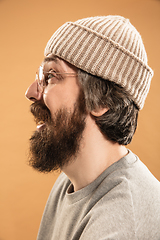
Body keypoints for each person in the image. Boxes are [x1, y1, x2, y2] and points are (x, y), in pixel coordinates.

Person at [25, 15, 160, 240]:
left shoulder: (123, 219)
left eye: (51, 76)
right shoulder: (71, 180)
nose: (31, 92)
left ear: (101, 101)